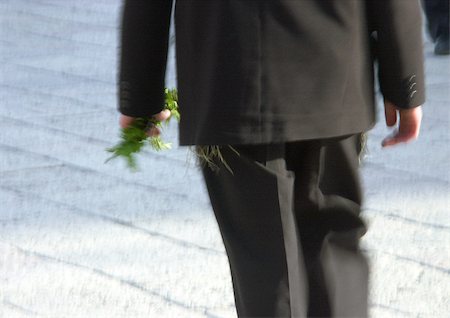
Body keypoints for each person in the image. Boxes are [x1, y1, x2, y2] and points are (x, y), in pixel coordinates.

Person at [117, 0, 425, 317]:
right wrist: (405, 80)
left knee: (264, 263)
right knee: (333, 252)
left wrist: (139, 94)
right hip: (333, 68)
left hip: (230, 72)